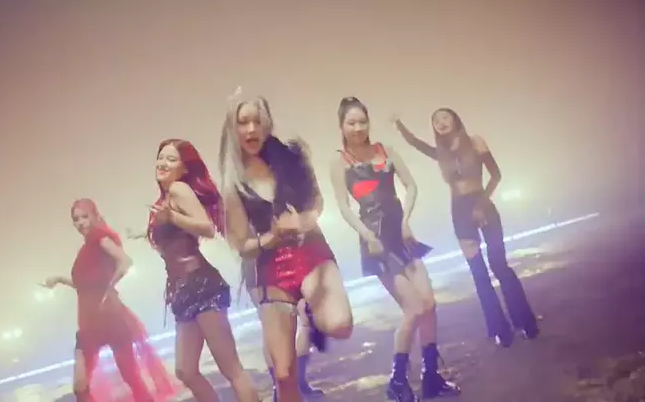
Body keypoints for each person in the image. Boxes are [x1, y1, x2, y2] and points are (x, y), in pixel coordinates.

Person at [218, 92, 353, 402]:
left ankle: (309, 310)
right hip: (271, 267)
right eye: (243, 122)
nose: (251, 129)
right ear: (233, 129)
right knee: (283, 375)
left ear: (267, 124)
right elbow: (243, 245)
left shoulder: (292, 157)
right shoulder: (233, 184)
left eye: (257, 121)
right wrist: (273, 236)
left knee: (339, 325)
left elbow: (316, 202)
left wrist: (303, 221)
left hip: (311, 251)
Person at [329, 97, 460, 401]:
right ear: (342, 126)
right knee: (413, 309)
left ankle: (431, 377)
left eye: (362, 121)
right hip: (376, 241)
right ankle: (397, 382)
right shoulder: (340, 162)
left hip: (401, 235)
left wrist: (406, 220)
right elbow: (344, 207)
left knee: (429, 303)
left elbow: (411, 185)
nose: (358, 128)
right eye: (351, 123)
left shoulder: (385, 150)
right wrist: (366, 235)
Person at [393, 108, 539, 347]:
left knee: (499, 266)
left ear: (455, 119)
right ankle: (500, 330)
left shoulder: (475, 142)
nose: (440, 123)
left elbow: (496, 175)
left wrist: (481, 205)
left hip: (483, 204)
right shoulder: (440, 153)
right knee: (478, 273)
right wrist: (398, 124)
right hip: (459, 212)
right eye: (435, 121)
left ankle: (525, 323)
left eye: (445, 117)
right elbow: (415, 143)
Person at [130, 139, 261, 402]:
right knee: (185, 370)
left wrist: (172, 218)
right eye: (161, 157)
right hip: (182, 291)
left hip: (202, 286)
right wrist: (146, 233)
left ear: (184, 169)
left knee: (230, 368)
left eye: (171, 159)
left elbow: (206, 227)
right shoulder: (164, 200)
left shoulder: (179, 189)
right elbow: (175, 240)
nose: (163, 163)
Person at [41, 198, 177, 402]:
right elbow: (86, 286)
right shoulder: (86, 249)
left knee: (130, 376)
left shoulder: (99, 238)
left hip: (109, 315)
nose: (80, 223)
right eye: (76, 219)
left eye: (84, 217)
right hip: (88, 322)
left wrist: (108, 287)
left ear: (94, 216)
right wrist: (60, 279)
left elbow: (125, 261)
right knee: (80, 384)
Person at [240, 235, 324, 402]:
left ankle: (287, 385)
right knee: (290, 323)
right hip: (266, 262)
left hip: (272, 258)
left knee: (277, 325)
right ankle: (289, 385)